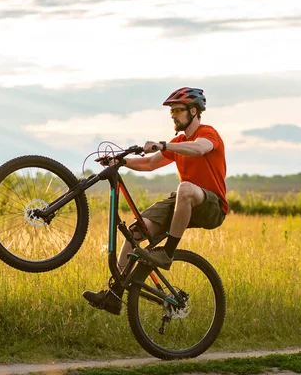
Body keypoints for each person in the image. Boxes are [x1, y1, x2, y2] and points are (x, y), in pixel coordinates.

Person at [82, 87, 228, 315]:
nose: (173, 115)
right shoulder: (179, 141)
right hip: (183, 200)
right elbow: (150, 164)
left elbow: (199, 149)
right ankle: (114, 295)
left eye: (178, 110)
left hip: (211, 205)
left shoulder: (207, 134)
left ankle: (167, 252)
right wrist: (119, 161)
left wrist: (164, 145)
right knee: (135, 233)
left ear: (193, 111)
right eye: (171, 111)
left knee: (186, 188)